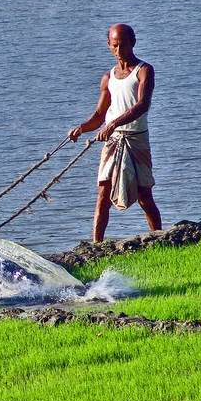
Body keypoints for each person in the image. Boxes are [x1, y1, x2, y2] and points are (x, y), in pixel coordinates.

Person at [68, 23, 162, 243]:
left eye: (123, 45)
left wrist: (113, 125)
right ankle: (95, 245)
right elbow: (100, 115)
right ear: (109, 45)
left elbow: (142, 106)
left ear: (133, 43)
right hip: (113, 142)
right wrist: (81, 128)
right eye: (114, 46)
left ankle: (159, 237)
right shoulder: (108, 77)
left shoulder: (144, 71)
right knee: (103, 194)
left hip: (136, 140)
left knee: (144, 196)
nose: (119, 51)